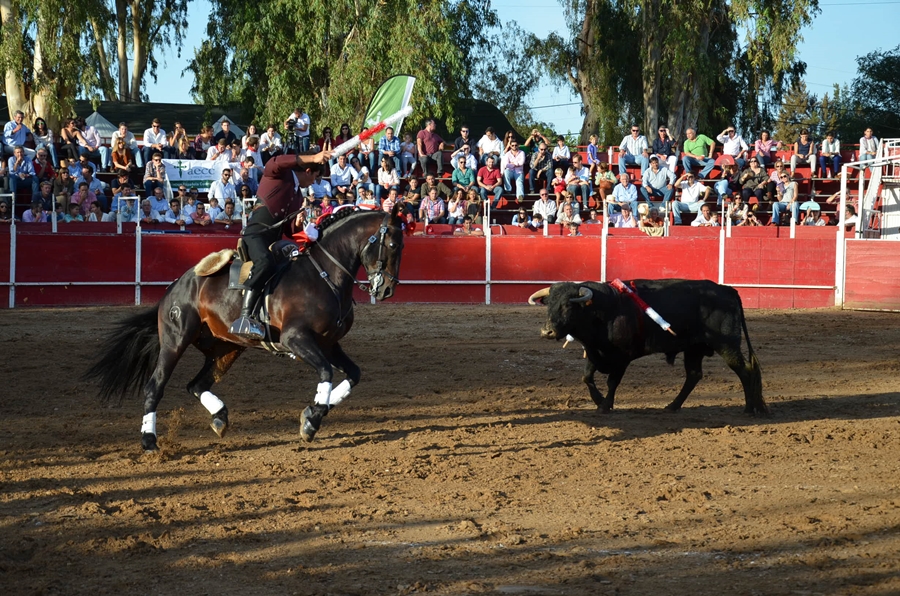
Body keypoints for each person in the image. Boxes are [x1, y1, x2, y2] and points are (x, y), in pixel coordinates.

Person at [230, 148, 331, 337]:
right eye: (315, 176)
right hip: (255, 235)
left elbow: (289, 230)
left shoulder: (298, 196)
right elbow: (274, 161)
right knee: (265, 262)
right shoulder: (279, 173)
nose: (313, 182)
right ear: (308, 170)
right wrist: (313, 157)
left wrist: (297, 224)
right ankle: (244, 316)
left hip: (274, 241)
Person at [501, 139, 526, 203]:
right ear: (510, 146)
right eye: (513, 145)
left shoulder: (522, 153)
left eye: (515, 145)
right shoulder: (507, 154)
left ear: (518, 145)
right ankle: (508, 190)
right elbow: (506, 165)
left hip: (519, 171)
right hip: (510, 171)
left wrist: (512, 163)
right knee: (506, 172)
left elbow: (521, 162)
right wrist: (516, 164)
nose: (514, 146)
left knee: (519, 182)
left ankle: (520, 196)